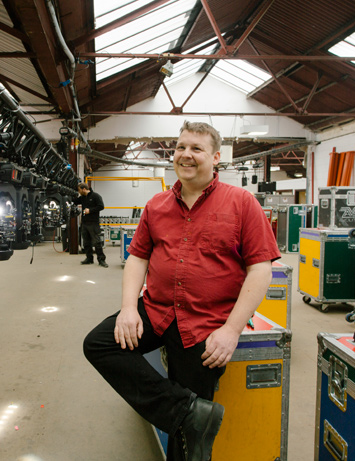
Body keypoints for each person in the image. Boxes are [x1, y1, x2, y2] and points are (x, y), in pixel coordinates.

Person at [83, 121, 280, 461]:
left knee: (189, 445)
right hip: (157, 311)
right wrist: (129, 308)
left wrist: (231, 330)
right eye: (180, 147)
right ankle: (188, 411)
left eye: (196, 149)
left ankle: (189, 416)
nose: (186, 155)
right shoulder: (156, 206)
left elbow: (261, 268)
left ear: (215, 157)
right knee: (99, 344)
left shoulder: (242, 203)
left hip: (206, 323)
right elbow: (137, 258)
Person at [75, 182, 108, 268]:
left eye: (79, 190)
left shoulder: (96, 196)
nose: (79, 192)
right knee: (86, 243)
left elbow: (101, 206)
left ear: (84, 189)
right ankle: (89, 258)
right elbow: (74, 201)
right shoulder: (82, 198)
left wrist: (90, 210)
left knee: (97, 242)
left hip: (93, 223)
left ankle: (101, 260)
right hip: (85, 223)